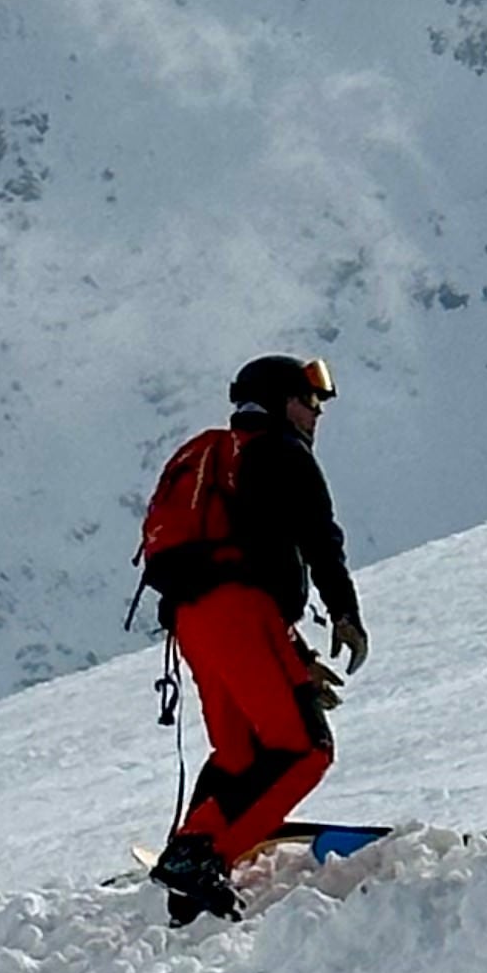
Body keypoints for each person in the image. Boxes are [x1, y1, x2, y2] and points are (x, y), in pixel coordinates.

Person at [148, 354, 369, 926]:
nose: (317, 412)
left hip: (191, 620)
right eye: (309, 399)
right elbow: (320, 538)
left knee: (240, 752)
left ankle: (186, 871)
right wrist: (344, 612)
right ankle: (200, 857)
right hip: (240, 612)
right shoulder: (281, 451)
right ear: (279, 401)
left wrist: (292, 655)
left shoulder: (217, 456)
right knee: (304, 747)